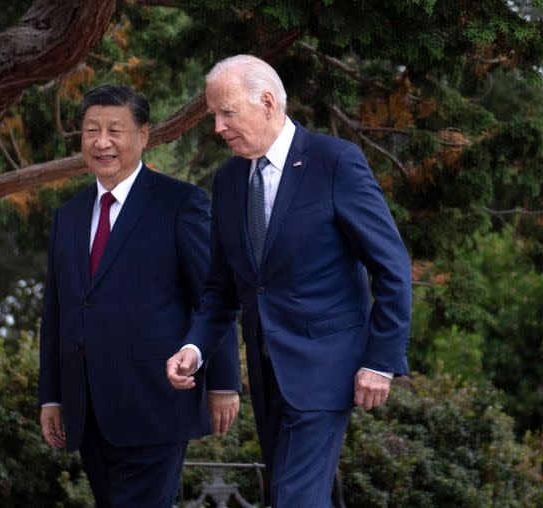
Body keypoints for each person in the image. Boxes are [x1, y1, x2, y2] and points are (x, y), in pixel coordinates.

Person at [166, 55, 412, 507]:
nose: (218, 127)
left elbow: (392, 266)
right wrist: (195, 347)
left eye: (226, 113)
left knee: (295, 498)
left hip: (325, 368)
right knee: (290, 494)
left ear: (266, 102)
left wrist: (381, 360)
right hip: (267, 372)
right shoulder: (227, 181)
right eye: (214, 115)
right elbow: (223, 288)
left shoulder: (335, 162)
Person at [38, 84, 242, 508]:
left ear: (144, 135)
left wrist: (223, 382)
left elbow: (213, 295)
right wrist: (52, 396)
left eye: (115, 129)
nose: (102, 142)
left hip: (156, 402)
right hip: (87, 407)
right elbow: (56, 313)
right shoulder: (69, 216)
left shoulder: (180, 203)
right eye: (91, 130)